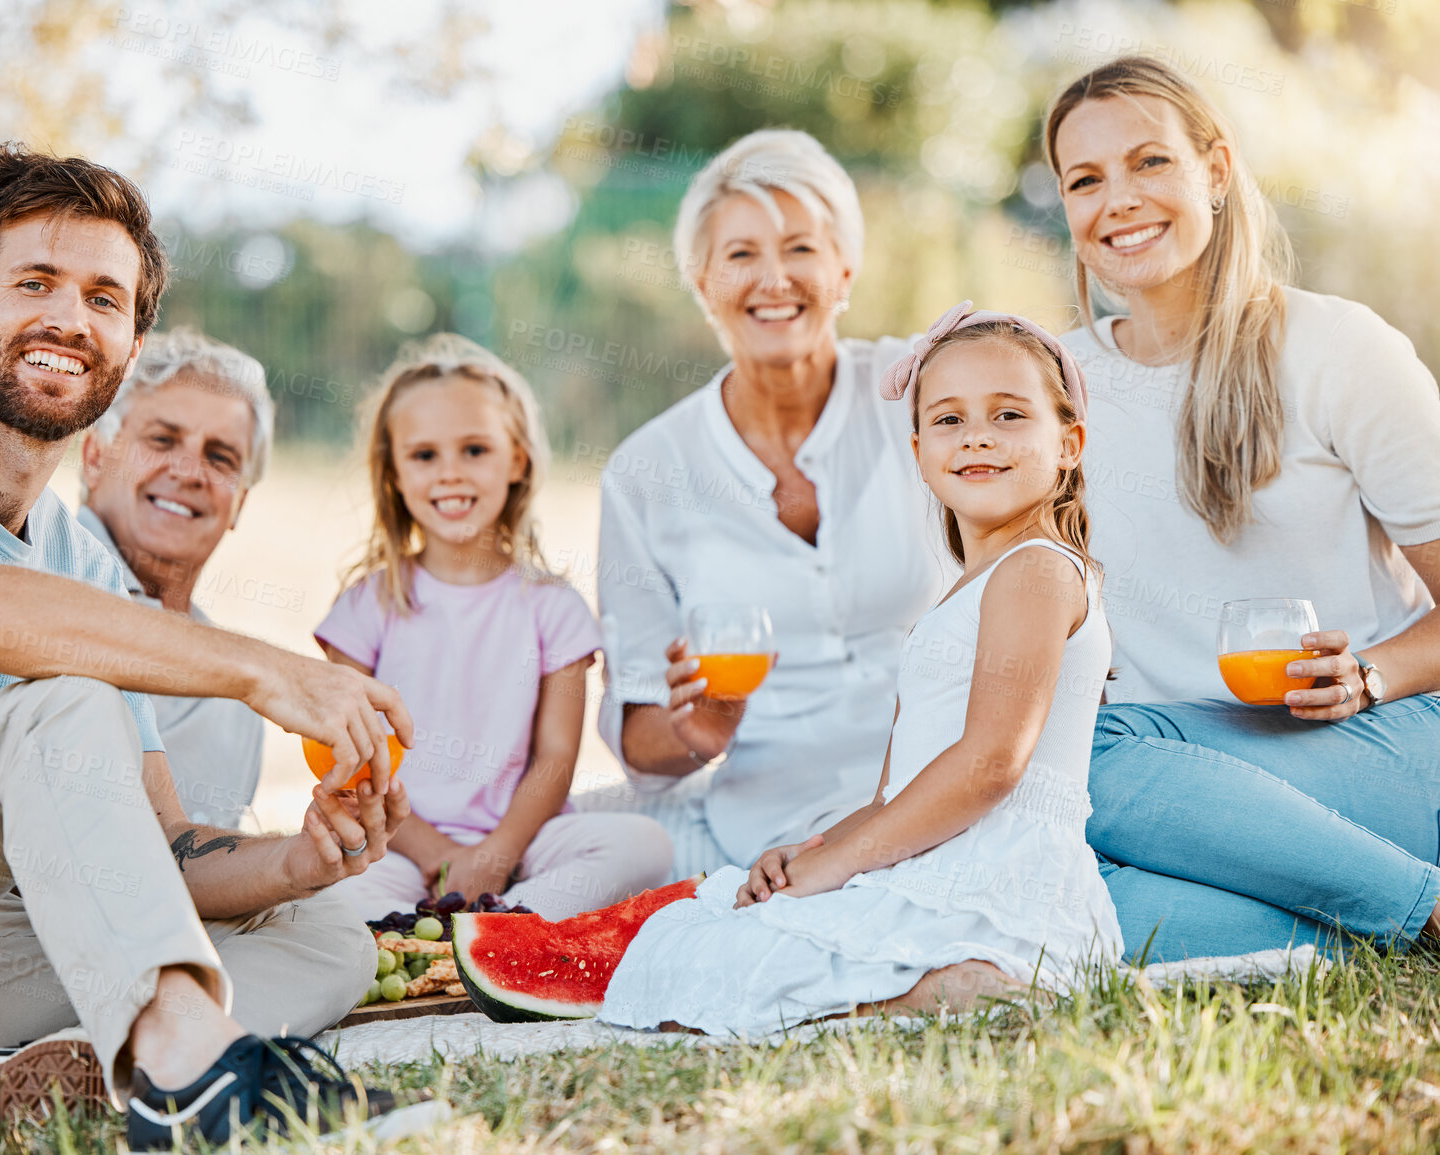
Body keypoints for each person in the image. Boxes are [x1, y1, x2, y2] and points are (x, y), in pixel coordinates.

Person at [0, 145, 441, 1147]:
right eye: (35, 284)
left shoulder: (81, 569)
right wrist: (266, 670)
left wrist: (300, 860)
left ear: (130, 346)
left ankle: (41, 1073)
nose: (69, 317)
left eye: (105, 297)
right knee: (59, 707)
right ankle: (193, 1082)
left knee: (324, 940)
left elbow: (164, 853)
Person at [601, 304, 1122, 1033]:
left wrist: (839, 868)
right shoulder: (968, 589)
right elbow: (891, 794)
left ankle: (964, 985)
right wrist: (811, 852)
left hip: (995, 877)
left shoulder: (1034, 571)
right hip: (937, 855)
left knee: (705, 956)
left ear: (1068, 443)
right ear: (916, 450)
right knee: (692, 935)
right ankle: (919, 988)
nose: (976, 434)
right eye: (948, 419)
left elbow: (989, 765)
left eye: (1008, 415)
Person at [1046, 56, 1440, 960]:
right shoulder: (1058, 385)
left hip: (1373, 747)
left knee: (1084, 763)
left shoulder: (1338, 349)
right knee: (1062, 887)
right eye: (1085, 180)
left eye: (1150, 162)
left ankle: (1413, 905)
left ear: (1214, 171)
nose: (1119, 201)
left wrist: (1369, 673)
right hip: (1185, 790)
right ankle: (1375, 919)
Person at [596, 128, 951, 879]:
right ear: (701, 282)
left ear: (843, 270)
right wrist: (702, 728)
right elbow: (642, 735)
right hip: (761, 811)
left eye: (799, 249)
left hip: (934, 774)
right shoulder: (645, 471)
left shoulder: (915, 392)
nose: (773, 278)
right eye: (740, 254)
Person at [315, 335, 672, 922]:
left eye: (475, 449)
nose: (450, 474)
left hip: (524, 842)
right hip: (401, 842)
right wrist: (437, 854)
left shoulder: (554, 609)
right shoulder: (365, 607)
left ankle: (486, 925)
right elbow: (350, 763)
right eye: (424, 456)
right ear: (395, 474)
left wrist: (496, 855)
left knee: (646, 846)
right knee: (333, 886)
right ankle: (480, 922)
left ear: (517, 460)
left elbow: (556, 758)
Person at [79, 327, 274, 829]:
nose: (190, 471)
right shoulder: (35, 578)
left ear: (241, 504)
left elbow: (196, 870)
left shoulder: (242, 702)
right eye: (162, 440)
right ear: (94, 457)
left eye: (220, 457)